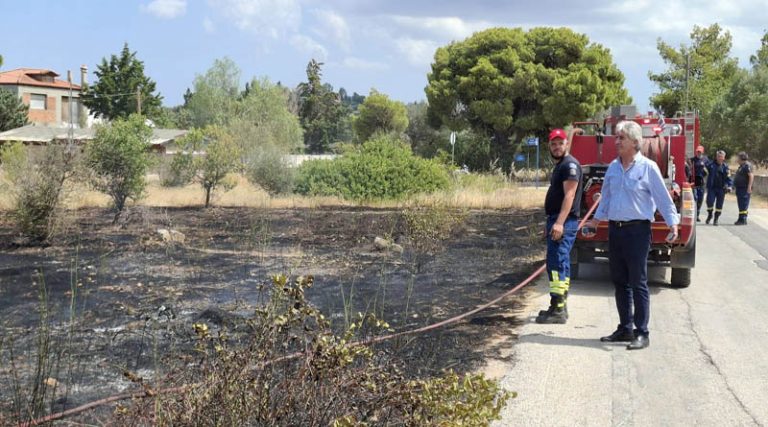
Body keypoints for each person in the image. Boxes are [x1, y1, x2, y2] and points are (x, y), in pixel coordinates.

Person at [587, 121, 679, 350]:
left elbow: (663, 199)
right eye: (616, 137)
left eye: (621, 138)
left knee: (638, 282)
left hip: (638, 231)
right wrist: (596, 219)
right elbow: (605, 197)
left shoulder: (648, 168)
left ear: (635, 142)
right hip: (615, 230)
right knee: (619, 281)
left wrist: (673, 225)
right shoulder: (613, 168)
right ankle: (625, 328)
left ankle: (642, 332)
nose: (616, 141)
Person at [535, 128, 583, 324]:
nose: (556, 147)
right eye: (553, 144)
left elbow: (569, 196)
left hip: (564, 222)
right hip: (556, 220)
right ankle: (558, 307)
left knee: (556, 265)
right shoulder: (561, 164)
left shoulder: (569, 165)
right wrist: (552, 222)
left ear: (566, 145)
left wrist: (559, 223)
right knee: (558, 263)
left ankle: (558, 310)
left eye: (560, 143)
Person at [704, 150, 732, 226]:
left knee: (719, 205)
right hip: (712, 188)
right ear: (716, 157)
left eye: (721, 157)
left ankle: (716, 219)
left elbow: (729, 178)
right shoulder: (710, 165)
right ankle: (710, 214)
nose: (719, 158)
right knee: (709, 202)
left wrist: (729, 186)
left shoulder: (726, 167)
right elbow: (703, 172)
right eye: (718, 156)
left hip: (721, 189)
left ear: (724, 158)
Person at [686, 145, 709, 221]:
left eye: (700, 151)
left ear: (702, 152)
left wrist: (706, 172)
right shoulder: (692, 160)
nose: (698, 153)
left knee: (700, 199)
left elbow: (709, 169)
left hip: (701, 182)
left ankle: (697, 215)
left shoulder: (706, 160)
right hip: (693, 182)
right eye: (697, 151)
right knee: (693, 198)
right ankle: (692, 215)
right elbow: (687, 168)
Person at [733, 151, 754, 225]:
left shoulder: (747, 165)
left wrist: (749, 187)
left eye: (738, 158)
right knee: (741, 204)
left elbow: (751, 176)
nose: (737, 159)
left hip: (744, 188)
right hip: (740, 188)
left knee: (744, 204)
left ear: (742, 158)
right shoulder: (741, 166)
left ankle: (743, 220)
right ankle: (740, 218)